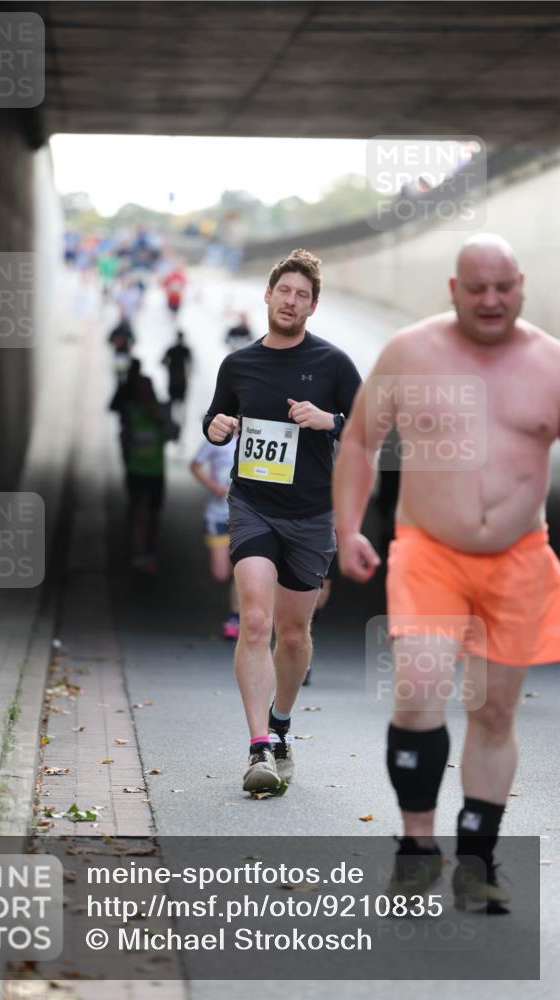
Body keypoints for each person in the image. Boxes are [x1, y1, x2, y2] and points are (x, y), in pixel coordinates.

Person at [333, 234, 560, 909]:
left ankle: (475, 859)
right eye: (476, 288)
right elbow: (357, 440)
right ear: (453, 289)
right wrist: (346, 529)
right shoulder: (410, 352)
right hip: (429, 550)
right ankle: (414, 846)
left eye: (503, 287)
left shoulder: (550, 362)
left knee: (493, 709)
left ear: (520, 284)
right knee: (419, 688)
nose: (490, 300)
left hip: (519, 558)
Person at [203, 248, 361, 793]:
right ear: (267, 295)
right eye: (284, 291)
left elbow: (369, 427)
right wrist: (217, 427)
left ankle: (282, 724)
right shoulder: (239, 364)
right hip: (252, 507)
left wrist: (329, 420)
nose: (290, 301)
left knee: (293, 635)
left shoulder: (334, 364)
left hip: (311, 515)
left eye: (302, 295)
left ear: (312, 307)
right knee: (254, 622)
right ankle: (258, 749)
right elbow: (215, 416)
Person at [110, 359, 166, 574]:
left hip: (156, 471)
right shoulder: (130, 412)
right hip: (136, 470)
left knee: (153, 513)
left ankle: (150, 549)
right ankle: (138, 554)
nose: (146, 393)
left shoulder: (160, 410)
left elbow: (173, 433)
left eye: (148, 389)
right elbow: (124, 437)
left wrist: (157, 418)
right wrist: (126, 461)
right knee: (138, 511)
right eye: (142, 389)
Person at [189, 436, 240, 640]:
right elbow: (195, 465)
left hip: (246, 517)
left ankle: (235, 617)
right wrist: (215, 487)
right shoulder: (218, 438)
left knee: (242, 568)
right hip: (218, 515)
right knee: (221, 573)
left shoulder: (256, 435)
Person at [162, 331, 193, 429]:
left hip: (173, 379)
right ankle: (180, 424)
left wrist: (169, 366)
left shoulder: (171, 350)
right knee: (181, 404)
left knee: (173, 403)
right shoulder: (185, 350)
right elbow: (190, 364)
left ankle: (173, 424)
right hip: (182, 380)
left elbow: (162, 361)